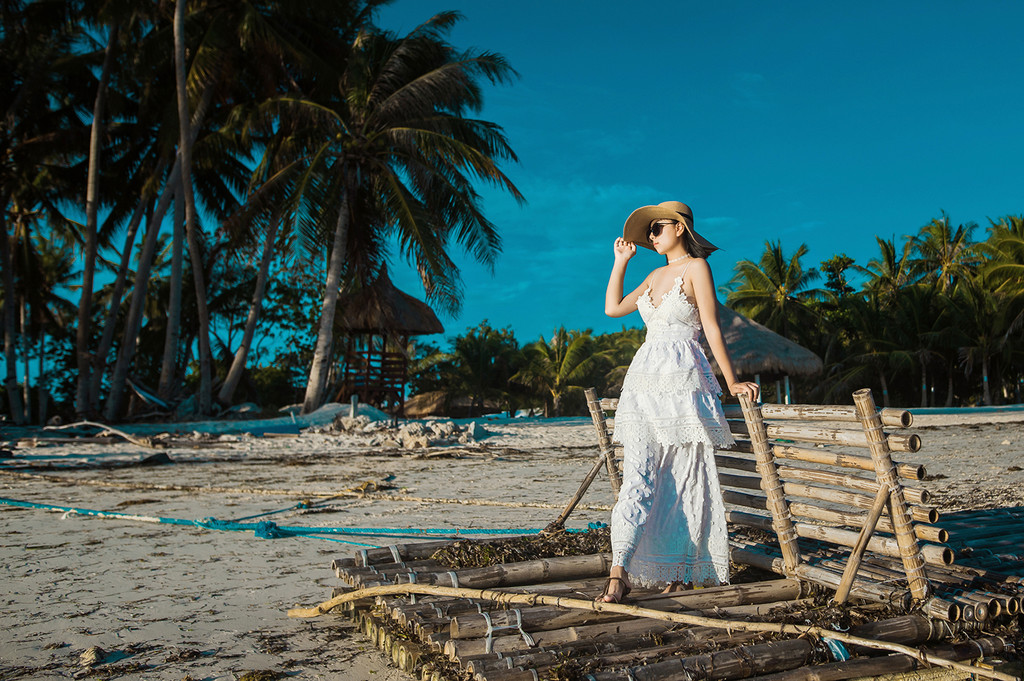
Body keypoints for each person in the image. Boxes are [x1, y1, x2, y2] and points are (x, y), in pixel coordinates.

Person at [598, 200, 760, 603]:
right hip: (642, 387)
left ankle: (681, 572)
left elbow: (710, 326)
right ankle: (619, 571)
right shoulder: (653, 275)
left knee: (688, 476)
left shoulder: (697, 269)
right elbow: (613, 308)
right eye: (648, 231)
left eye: (657, 229)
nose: (651, 236)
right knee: (638, 477)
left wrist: (732, 380)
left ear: (680, 227)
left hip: (685, 385)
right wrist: (620, 261)